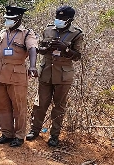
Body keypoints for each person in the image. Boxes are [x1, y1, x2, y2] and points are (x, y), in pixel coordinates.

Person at [26, 6, 83, 147]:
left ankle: (54, 135)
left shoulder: (77, 34)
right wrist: (47, 49)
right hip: (46, 72)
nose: (59, 20)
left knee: (59, 106)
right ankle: (35, 130)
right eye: (57, 17)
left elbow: (77, 56)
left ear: (70, 20)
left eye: (62, 18)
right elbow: (40, 49)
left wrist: (65, 48)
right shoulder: (48, 30)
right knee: (40, 104)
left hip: (63, 75)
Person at [0, 5, 38, 147]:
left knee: (19, 107)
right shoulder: (2, 33)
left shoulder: (27, 33)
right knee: (2, 106)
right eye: (7, 18)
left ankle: (19, 136)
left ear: (18, 19)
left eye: (11, 19)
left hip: (17, 75)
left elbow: (33, 49)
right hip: (0, 75)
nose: (8, 21)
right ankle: (7, 134)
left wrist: (32, 65)